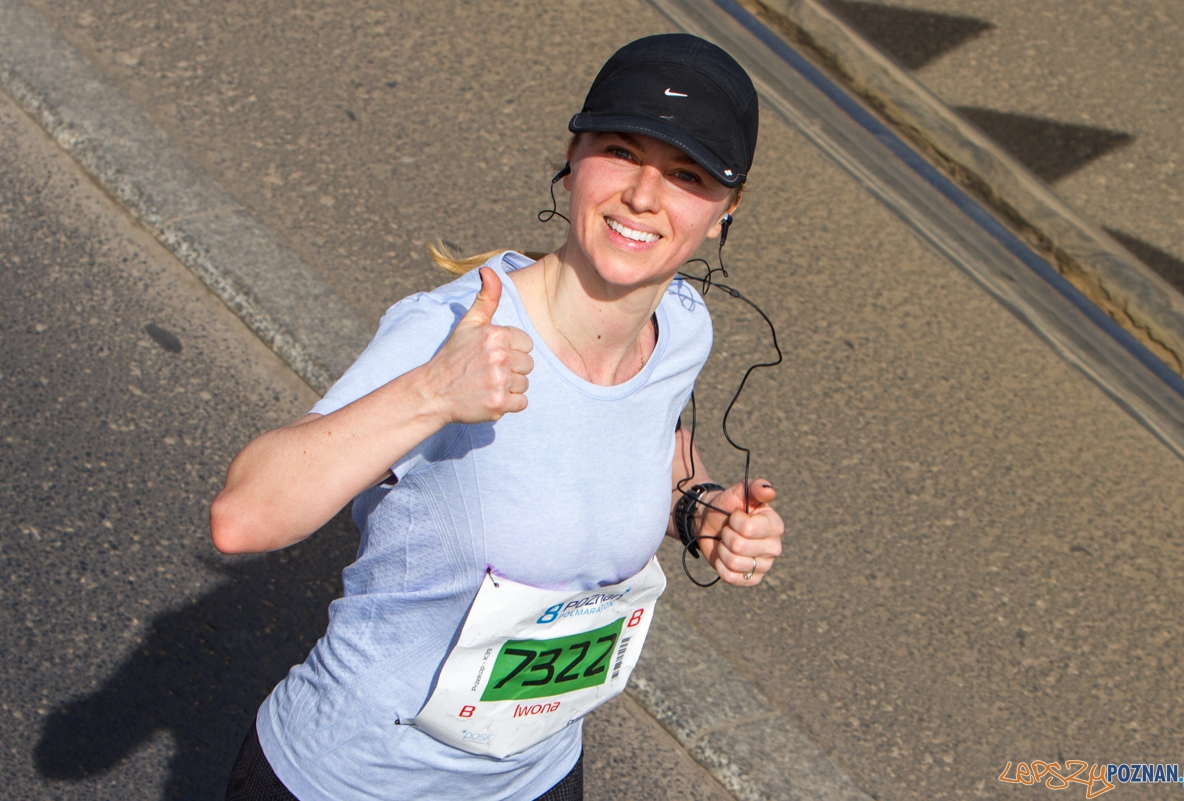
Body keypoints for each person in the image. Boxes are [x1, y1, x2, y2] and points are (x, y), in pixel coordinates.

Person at [211, 33, 785, 801]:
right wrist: (432, 393)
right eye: (620, 151)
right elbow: (242, 518)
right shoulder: (456, 330)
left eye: (686, 174)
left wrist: (699, 506)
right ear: (574, 157)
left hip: (535, 778)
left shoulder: (681, 328)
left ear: (724, 210)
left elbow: (646, 434)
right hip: (352, 781)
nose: (645, 197)